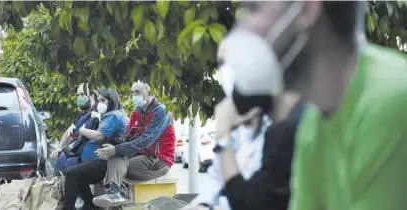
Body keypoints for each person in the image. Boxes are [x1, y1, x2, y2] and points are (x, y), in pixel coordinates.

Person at [214, 1, 407, 210]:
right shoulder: (313, 121)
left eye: (252, 8)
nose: (241, 27)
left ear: (306, 9)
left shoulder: (390, 104)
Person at [92, 81, 176, 208]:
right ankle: (114, 194)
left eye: (137, 92)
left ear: (150, 93)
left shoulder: (161, 111)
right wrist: (110, 148)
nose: (134, 96)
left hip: (158, 160)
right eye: (132, 93)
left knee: (117, 166)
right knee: (114, 157)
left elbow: (147, 139)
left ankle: (115, 194)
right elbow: (127, 138)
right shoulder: (137, 112)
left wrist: (117, 149)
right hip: (140, 156)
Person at [63, 88, 128, 210]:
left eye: (103, 100)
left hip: (108, 162)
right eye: (98, 100)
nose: (99, 104)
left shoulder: (113, 115)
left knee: (72, 174)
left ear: (112, 101)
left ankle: (73, 207)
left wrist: (82, 130)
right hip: (106, 159)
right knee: (76, 173)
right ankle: (90, 205)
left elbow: (99, 136)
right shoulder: (114, 114)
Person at [51, 82, 97, 173]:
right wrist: (59, 148)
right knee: (54, 157)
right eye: (78, 95)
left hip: (88, 154)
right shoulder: (82, 114)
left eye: (82, 94)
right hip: (77, 151)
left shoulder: (96, 114)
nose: (79, 98)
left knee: (66, 161)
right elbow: (70, 132)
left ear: (91, 96)